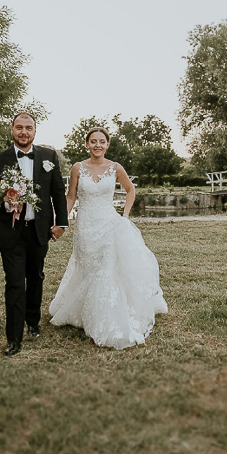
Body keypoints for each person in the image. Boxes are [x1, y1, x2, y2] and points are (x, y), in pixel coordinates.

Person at [49, 127, 167, 349]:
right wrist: (61, 222)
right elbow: (71, 196)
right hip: (85, 225)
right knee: (87, 266)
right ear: (87, 144)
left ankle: (105, 316)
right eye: (93, 141)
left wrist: (125, 215)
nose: (97, 145)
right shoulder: (77, 168)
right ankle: (85, 312)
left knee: (107, 269)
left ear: (107, 144)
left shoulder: (115, 168)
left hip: (108, 225)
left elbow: (130, 190)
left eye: (102, 141)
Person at [0, 112, 68, 357]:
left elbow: (58, 193)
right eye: (19, 127)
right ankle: (14, 337)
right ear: (12, 130)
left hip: (40, 231)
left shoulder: (49, 157)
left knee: (36, 277)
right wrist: (6, 201)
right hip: (11, 232)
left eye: (28, 128)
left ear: (35, 131)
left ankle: (33, 321)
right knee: (15, 282)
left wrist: (61, 223)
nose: (23, 132)